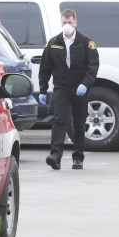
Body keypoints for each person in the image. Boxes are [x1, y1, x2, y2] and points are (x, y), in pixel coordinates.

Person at [38, 9, 99, 170]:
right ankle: (55, 156)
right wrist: (43, 89)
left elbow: (93, 67)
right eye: (64, 22)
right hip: (61, 87)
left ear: (76, 23)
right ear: (61, 23)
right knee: (59, 120)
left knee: (78, 122)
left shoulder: (86, 43)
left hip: (80, 87)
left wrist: (85, 84)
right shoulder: (53, 43)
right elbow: (45, 67)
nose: (67, 25)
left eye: (70, 22)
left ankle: (78, 157)